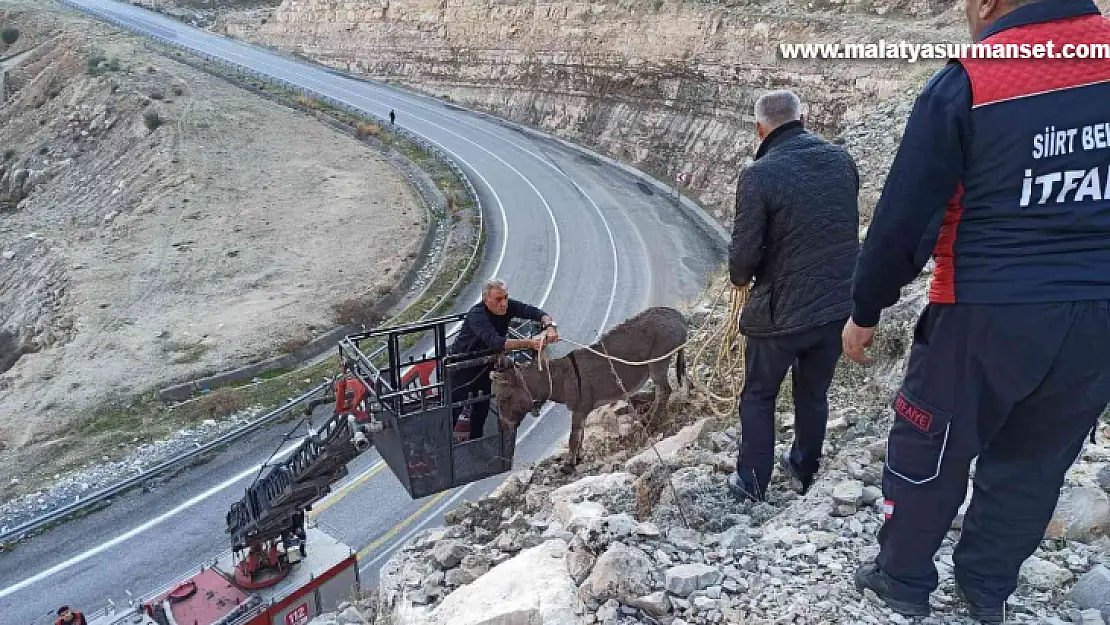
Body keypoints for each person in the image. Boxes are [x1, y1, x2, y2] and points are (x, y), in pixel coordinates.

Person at [842, 0, 1110, 621]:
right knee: (1035, 458)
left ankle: (902, 580)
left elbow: (905, 216)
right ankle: (987, 588)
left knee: (929, 446)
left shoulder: (974, 76)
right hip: (1097, 314)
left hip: (985, 308)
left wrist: (866, 306)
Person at [725, 89, 861, 503]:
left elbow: (743, 262)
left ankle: (752, 481)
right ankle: (804, 467)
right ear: (803, 117)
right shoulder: (842, 161)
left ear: (759, 129)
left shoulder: (759, 174)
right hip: (837, 308)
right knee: (813, 391)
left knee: (759, 394)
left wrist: (742, 277)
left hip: (780, 315)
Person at [448, 279, 558, 439]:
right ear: (486, 300)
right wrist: (530, 343)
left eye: (505, 297)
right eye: (498, 299)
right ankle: (443, 450)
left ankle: (475, 447)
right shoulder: (477, 315)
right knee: (453, 410)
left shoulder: (508, 306)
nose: (504, 303)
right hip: (461, 368)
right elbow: (496, 342)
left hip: (484, 368)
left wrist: (549, 326)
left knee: (481, 411)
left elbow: (534, 312)